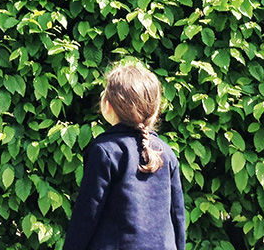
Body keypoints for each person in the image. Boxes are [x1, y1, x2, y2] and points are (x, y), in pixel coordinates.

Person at [62, 62, 186, 250]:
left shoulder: (105, 151)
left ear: (108, 105)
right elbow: (177, 217)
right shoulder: (167, 153)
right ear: (154, 110)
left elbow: (87, 216)